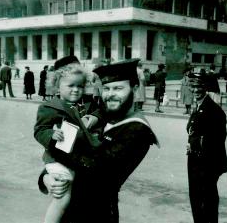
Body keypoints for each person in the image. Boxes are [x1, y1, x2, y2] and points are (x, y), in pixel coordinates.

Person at [39, 59, 159, 223]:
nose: (110, 94)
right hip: (70, 211)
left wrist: (53, 156)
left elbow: (95, 168)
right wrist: (47, 177)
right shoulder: (105, 116)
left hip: (96, 214)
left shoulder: (137, 129)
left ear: (135, 89)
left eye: (118, 88)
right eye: (107, 88)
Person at [34, 56, 101, 223]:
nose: (76, 90)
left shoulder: (87, 104)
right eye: (71, 85)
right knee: (63, 198)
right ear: (57, 86)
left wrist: (93, 121)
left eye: (80, 86)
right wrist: (51, 135)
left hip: (80, 162)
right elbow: (40, 130)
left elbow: (100, 114)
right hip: (59, 159)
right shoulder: (50, 107)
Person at [186, 72, 227, 223]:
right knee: (197, 199)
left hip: (206, 163)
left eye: (199, 87)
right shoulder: (199, 106)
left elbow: (218, 138)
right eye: (193, 86)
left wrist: (195, 143)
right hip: (196, 161)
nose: (196, 90)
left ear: (206, 88)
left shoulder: (213, 110)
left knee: (205, 200)